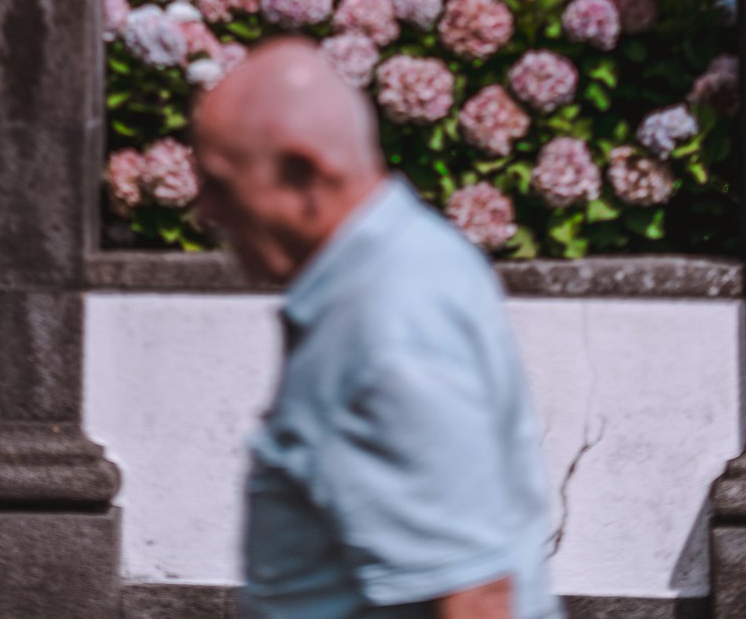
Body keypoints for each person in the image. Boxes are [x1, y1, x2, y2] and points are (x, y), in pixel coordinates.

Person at [191, 38, 562, 619]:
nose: (205, 211)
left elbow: (477, 600)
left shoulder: (389, 325)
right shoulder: (403, 264)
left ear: (303, 173)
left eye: (219, 183)